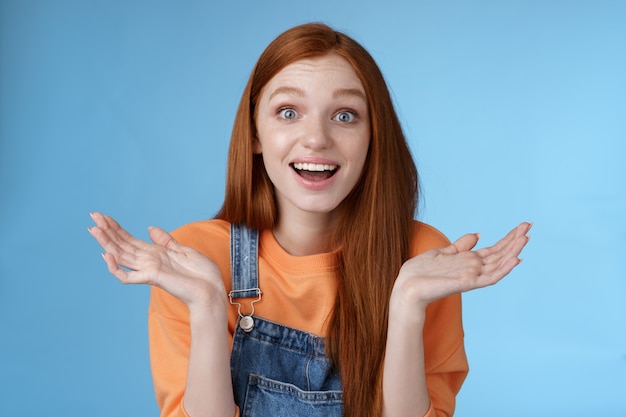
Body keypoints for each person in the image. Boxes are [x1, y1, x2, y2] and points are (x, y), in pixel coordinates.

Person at [88, 22, 531, 417]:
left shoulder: (421, 258)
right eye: (288, 112)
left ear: (373, 138)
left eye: (345, 115)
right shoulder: (196, 257)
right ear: (255, 134)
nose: (317, 138)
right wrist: (206, 305)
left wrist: (408, 305)